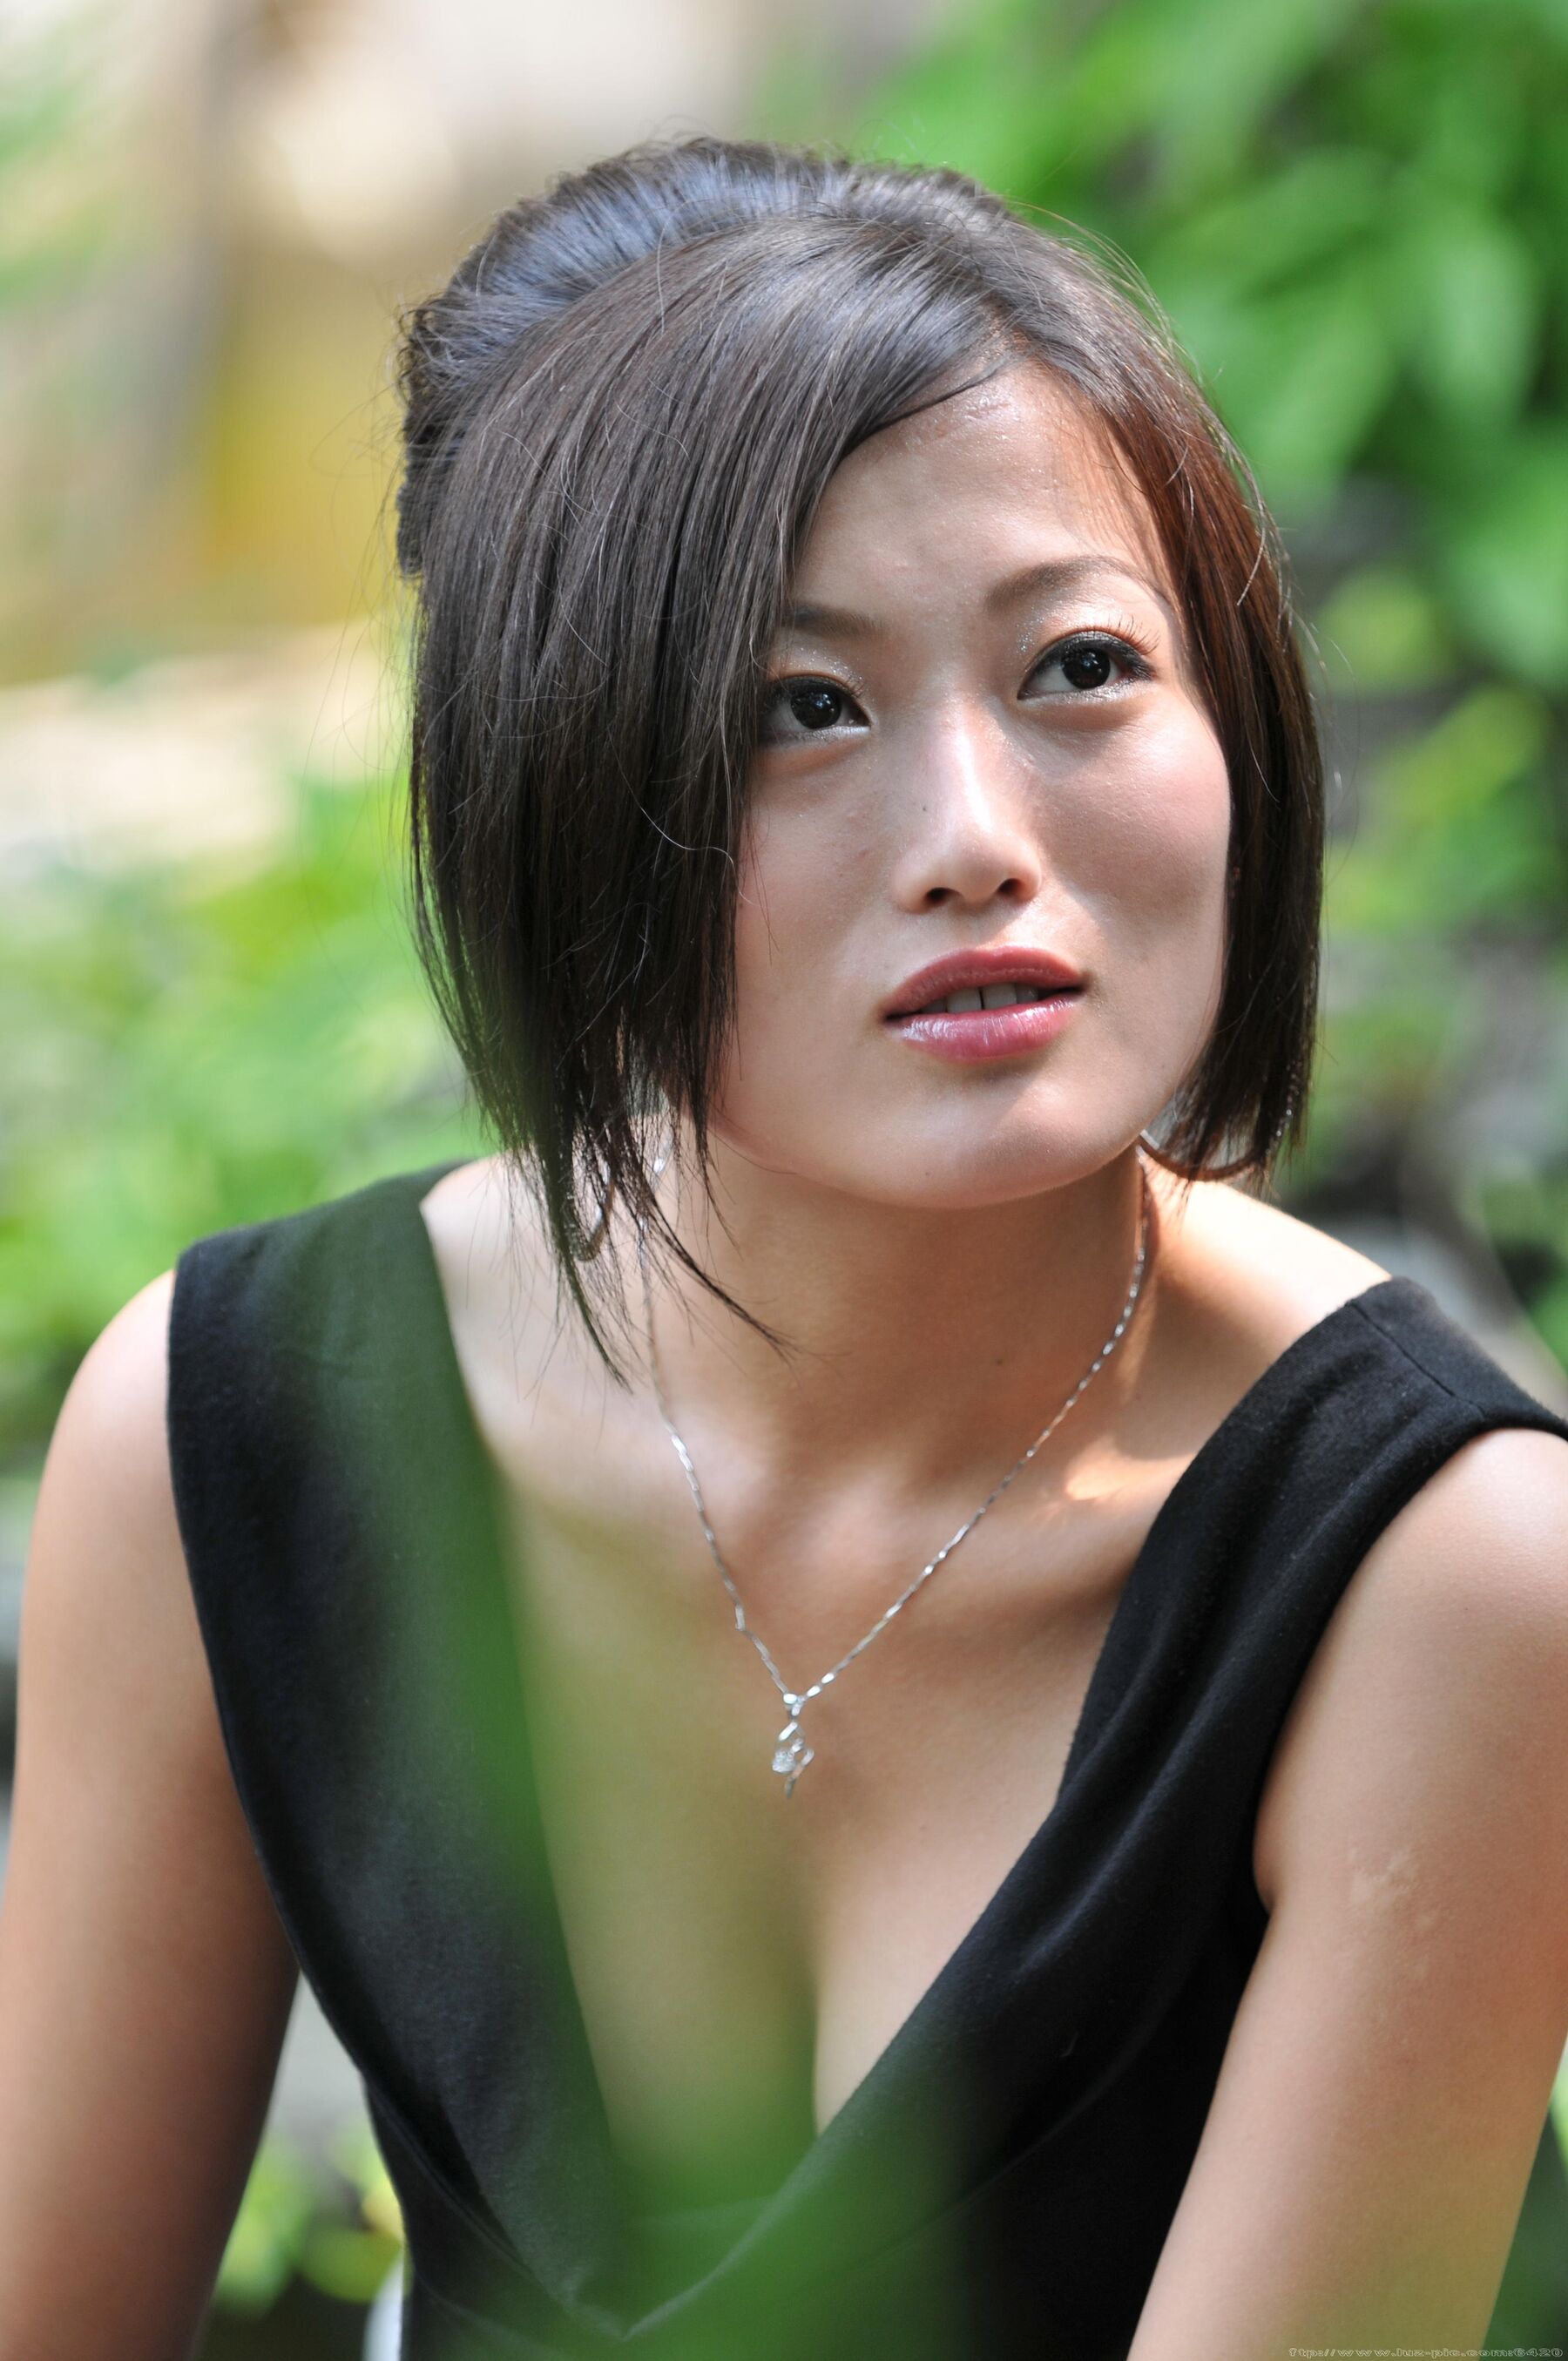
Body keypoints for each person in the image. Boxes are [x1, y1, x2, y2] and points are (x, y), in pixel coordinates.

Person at [2, 137, 1566, 2361]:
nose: (976, 840)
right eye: (797, 707)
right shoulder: (235, 1430)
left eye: (1083, 664)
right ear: (544, 782)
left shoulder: (1447, 1572)